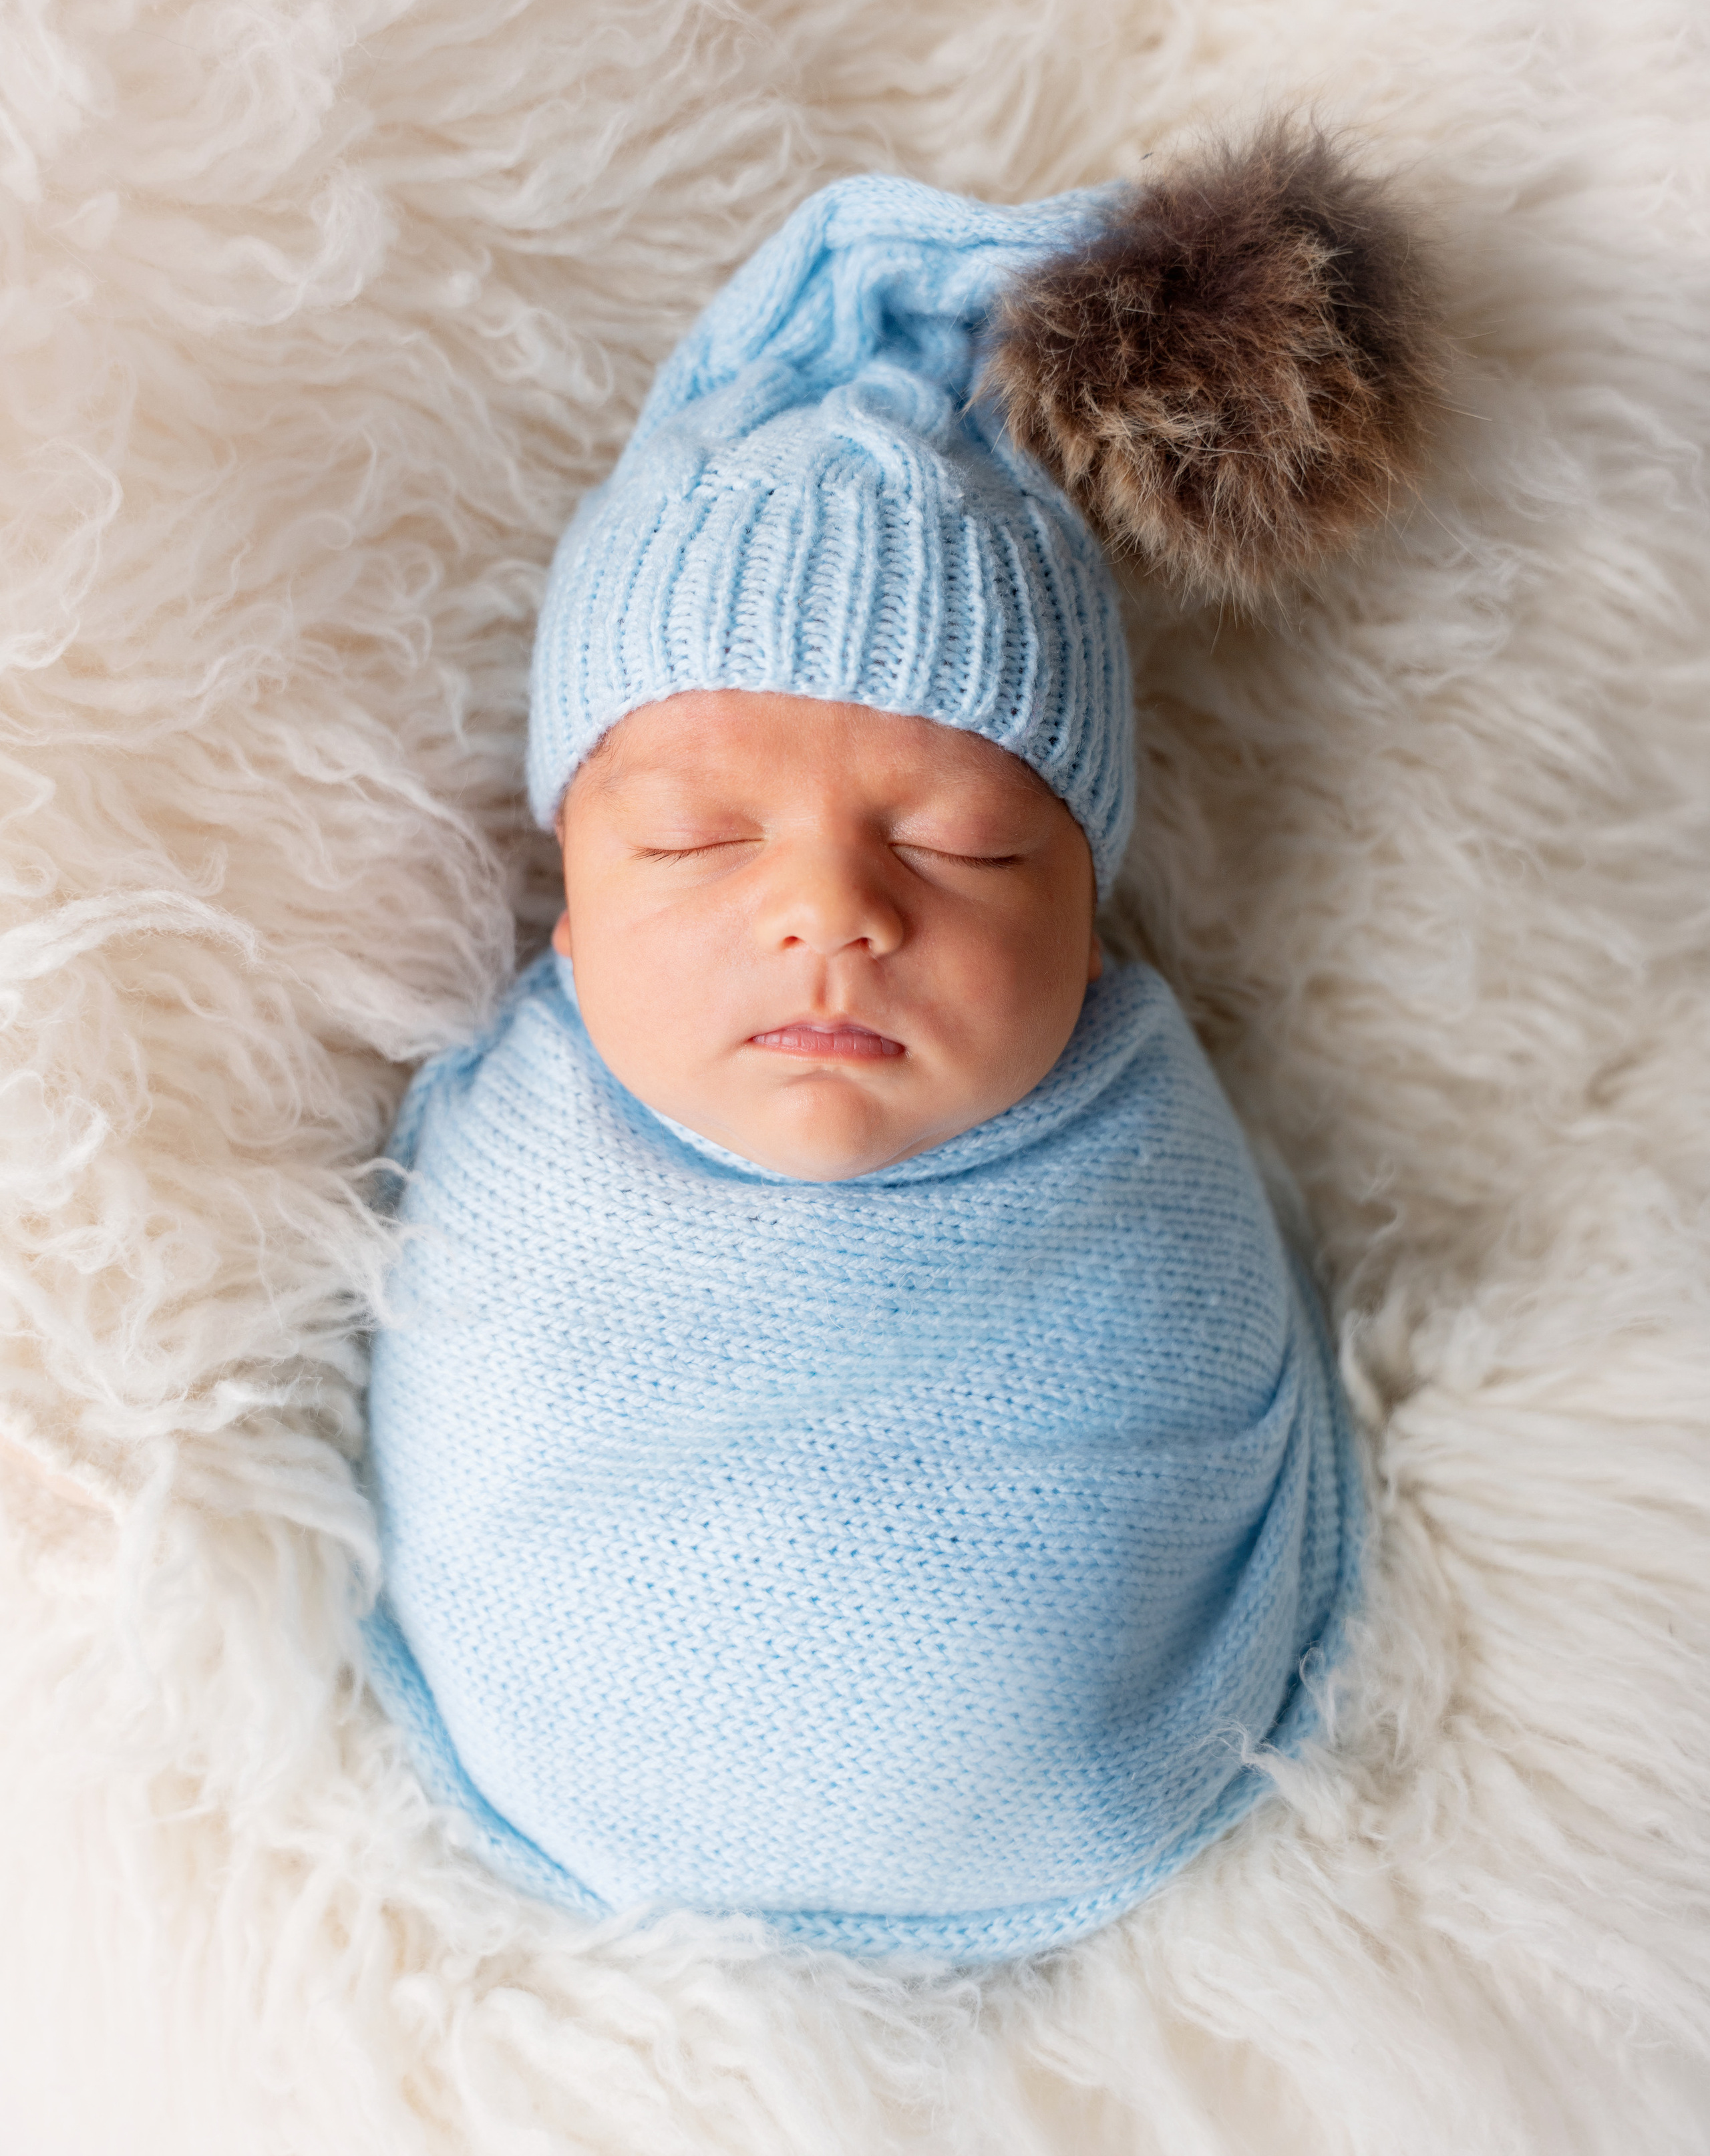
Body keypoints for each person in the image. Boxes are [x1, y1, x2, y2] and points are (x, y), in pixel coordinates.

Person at [362, 131, 1438, 1960]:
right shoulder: (511, 1137)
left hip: (1147, 1832)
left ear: (1091, 916)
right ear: (563, 902)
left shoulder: (1139, 1148)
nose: (833, 913)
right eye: (701, 841)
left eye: (960, 845)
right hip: (558, 1808)